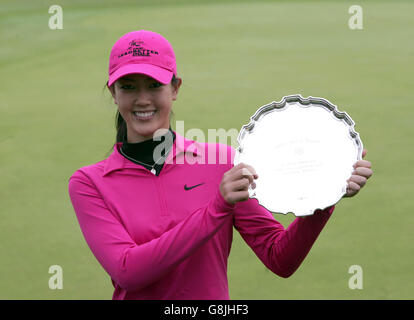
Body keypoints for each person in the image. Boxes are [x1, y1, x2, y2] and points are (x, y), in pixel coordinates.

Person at [67, 30, 373, 300]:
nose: (142, 99)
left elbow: (280, 258)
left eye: (154, 85)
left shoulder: (222, 163)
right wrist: (217, 207)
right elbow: (128, 272)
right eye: (129, 87)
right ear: (114, 93)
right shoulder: (89, 183)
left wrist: (324, 197)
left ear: (175, 88)